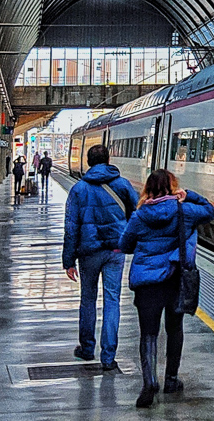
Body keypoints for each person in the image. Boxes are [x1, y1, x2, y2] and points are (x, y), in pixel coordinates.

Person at [119, 169, 214, 408]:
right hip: (175, 278)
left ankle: (149, 381)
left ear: (148, 189)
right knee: (175, 328)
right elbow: (211, 211)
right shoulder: (185, 211)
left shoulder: (139, 216)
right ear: (173, 187)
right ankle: (171, 379)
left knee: (149, 333)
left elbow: (125, 245)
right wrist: (189, 195)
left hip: (147, 282)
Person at [62, 144, 139, 371]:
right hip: (116, 251)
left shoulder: (78, 189)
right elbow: (136, 215)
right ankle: (108, 357)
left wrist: (68, 260)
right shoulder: (123, 185)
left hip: (88, 253)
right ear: (107, 159)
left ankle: (87, 349)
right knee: (112, 300)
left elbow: (71, 227)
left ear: (88, 161)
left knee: (88, 299)